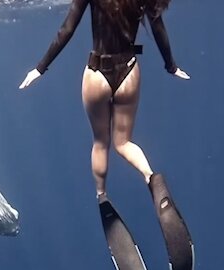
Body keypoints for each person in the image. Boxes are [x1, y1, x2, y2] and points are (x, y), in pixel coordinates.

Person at [19, 1, 194, 268]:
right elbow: (158, 28)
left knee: (101, 143)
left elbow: (67, 29)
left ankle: (102, 198)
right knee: (124, 142)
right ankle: (152, 180)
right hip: (129, 71)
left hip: (98, 72)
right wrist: (171, 65)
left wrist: (40, 67)